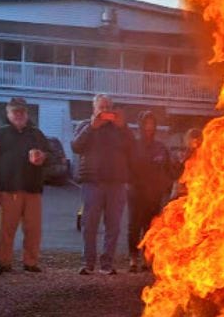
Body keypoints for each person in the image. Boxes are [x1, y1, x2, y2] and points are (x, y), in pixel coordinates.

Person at [71, 94, 134, 275]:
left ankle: (107, 264)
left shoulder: (120, 128)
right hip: (92, 183)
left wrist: (123, 127)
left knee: (113, 226)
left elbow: (132, 148)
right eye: (102, 107)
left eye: (108, 107)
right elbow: (75, 146)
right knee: (89, 225)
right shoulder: (85, 125)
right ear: (94, 108)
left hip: (116, 184)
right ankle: (87, 263)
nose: (105, 110)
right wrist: (92, 127)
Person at [0, 97, 49, 273]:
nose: (19, 115)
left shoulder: (37, 134)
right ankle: (3, 261)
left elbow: (51, 157)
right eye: (15, 111)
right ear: (8, 113)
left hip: (33, 190)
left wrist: (43, 158)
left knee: (33, 229)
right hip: (7, 190)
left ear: (27, 113)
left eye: (22, 111)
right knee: (6, 229)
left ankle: (30, 262)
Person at [127, 111, 174, 272]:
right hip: (136, 191)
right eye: (146, 123)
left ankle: (147, 258)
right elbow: (128, 167)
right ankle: (133, 258)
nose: (149, 127)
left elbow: (168, 170)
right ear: (141, 126)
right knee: (134, 226)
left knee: (151, 227)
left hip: (154, 193)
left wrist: (166, 187)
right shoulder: (134, 146)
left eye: (151, 124)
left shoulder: (160, 147)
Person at [171, 127, 203, 200]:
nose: (195, 142)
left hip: (196, 194)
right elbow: (176, 173)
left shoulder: (205, 158)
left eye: (197, 139)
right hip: (181, 193)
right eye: (192, 139)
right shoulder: (182, 155)